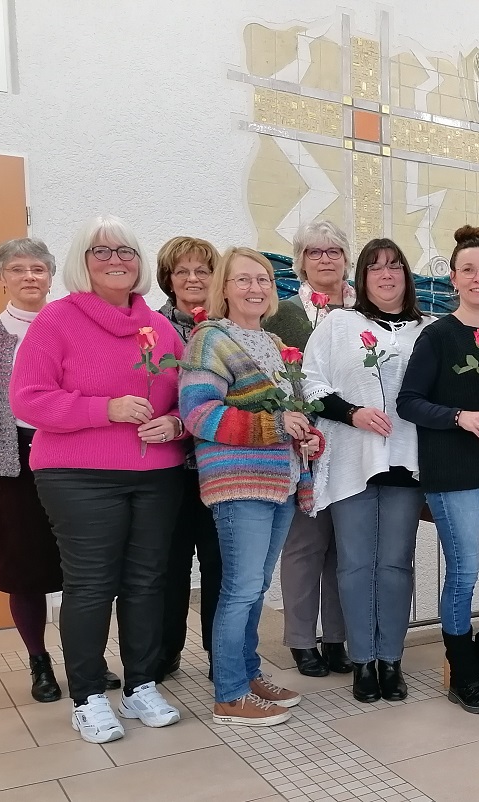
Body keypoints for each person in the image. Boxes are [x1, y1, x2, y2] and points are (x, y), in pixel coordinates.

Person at [10, 216, 187, 743]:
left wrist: (175, 422)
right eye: (101, 251)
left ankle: (140, 685)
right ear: (81, 263)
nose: (116, 260)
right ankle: (87, 696)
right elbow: (28, 398)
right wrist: (104, 408)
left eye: (126, 251)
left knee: (147, 581)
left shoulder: (159, 326)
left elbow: (187, 395)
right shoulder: (57, 321)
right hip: (78, 475)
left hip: (156, 472)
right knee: (90, 585)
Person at [179, 246, 319, 726]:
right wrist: (278, 426)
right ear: (224, 288)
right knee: (239, 589)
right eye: (243, 279)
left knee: (255, 588)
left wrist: (307, 434)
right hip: (239, 482)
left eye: (263, 279)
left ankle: (248, 674)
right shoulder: (210, 340)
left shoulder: (278, 344)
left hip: (279, 480)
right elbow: (199, 414)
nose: (255, 287)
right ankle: (230, 694)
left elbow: (292, 415)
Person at [397, 225, 479, 714]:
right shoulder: (436, 336)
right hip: (453, 473)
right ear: (453, 278)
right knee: (463, 573)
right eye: (468, 269)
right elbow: (409, 402)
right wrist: (458, 416)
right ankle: (462, 674)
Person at [305, 238, 433, 704]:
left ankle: (391, 660)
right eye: (375, 267)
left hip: (405, 460)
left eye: (395, 265)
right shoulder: (339, 324)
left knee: (395, 564)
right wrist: (351, 412)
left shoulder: (428, 330)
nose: (386, 274)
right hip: (352, 460)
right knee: (356, 564)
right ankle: (362, 661)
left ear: (406, 275)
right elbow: (310, 383)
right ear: (361, 279)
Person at [0, 238, 65, 702]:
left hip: (69, 452)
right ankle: (39, 662)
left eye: (38, 269)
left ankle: (87, 658)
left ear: (50, 276)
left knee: (85, 563)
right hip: (13, 459)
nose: (29, 277)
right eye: (18, 269)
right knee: (23, 566)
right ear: (1, 277)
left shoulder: (68, 325)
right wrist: (1, 449)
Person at [265, 221, 355, 678]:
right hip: (305, 445)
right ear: (300, 261)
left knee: (345, 546)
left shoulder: (364, 312)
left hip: (355, 444)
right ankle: (302, 639)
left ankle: (337, 638)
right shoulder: (282, 314)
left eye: (334, 250)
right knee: (305, 545)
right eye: (315, 252)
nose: (325, 258)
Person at [153, 236, 223, 682]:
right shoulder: (150, 328)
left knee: (220, 566)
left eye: (203, 270)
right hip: (166, 469)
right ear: (169, 279)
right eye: (183, 271)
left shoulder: (227, 328)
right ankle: (164, 654)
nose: (193, 278)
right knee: (168, 567)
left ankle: (223, 657)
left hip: (219, 467)